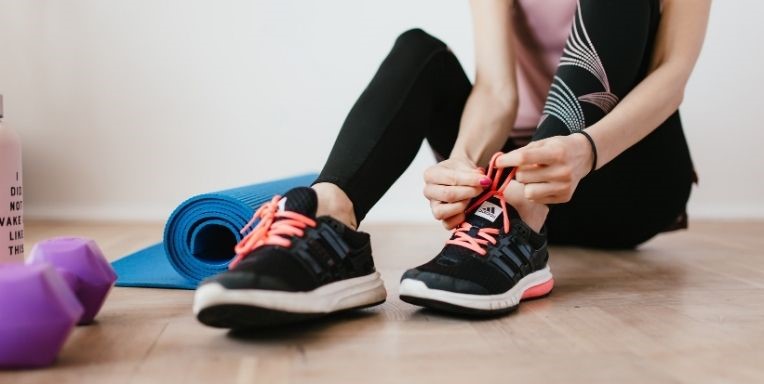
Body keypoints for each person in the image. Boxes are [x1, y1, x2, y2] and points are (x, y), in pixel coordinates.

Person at [192, 0, 711, 328]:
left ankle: (519, 227)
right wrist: (464, 158)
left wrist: (587, 148)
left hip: (622, 173)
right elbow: (497, 89)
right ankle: (330, 223)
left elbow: (673, 76)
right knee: (418, 51)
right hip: (512, 179)